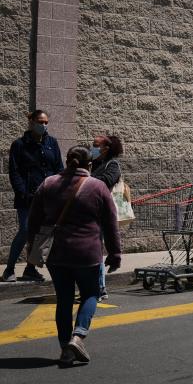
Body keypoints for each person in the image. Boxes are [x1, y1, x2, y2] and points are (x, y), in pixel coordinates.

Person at [26, 145, 121, 366]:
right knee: (90, 294)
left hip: (56, 254)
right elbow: (111, 224)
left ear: (66, 161)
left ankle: (65, 350)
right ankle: (78, 337)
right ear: (90, 165)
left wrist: (32, 248)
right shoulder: (98, 187)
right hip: (87, 254)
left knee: (64, 300)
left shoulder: (48, 184)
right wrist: (115, 253)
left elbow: (33, 221)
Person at [3, 110, 64, 283]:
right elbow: (14, 172)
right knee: (25, 230)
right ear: (31, 122)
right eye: (40, 122)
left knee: (43, 233)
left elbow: (58, 168)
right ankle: (9, 269)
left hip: (49, 197)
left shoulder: (52, 142)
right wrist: (23, 192)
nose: (43, 125)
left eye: (46, 122)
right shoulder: (20, 144)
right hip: (27, 197)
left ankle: (30, 269)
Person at [90, 135, 123, 301]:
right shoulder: (94, 163)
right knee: (94, 249)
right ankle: (98, 286)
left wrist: (86, 178)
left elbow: (106, 181)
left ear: (106, 148)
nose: (93, 148)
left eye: (97, 145)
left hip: (102, 212)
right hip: (92, 211)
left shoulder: (113, 166)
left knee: (97, 250)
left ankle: (101, 287)